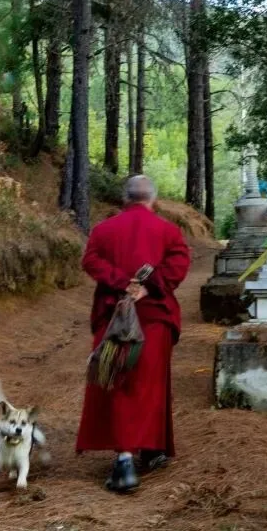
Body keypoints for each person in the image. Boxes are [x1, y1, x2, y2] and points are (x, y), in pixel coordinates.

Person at [76, 175, 192, 492]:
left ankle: (134, 454)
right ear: (153, 200)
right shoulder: (169, 231)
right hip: (154, 316)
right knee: (149, 384)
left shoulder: (103, 230)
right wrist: (147, 286)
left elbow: (91, 260)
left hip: (113, 315)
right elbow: (179, 263)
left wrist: (121, 282)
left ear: (124, 199)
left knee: (118, 380)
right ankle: (135, 455)